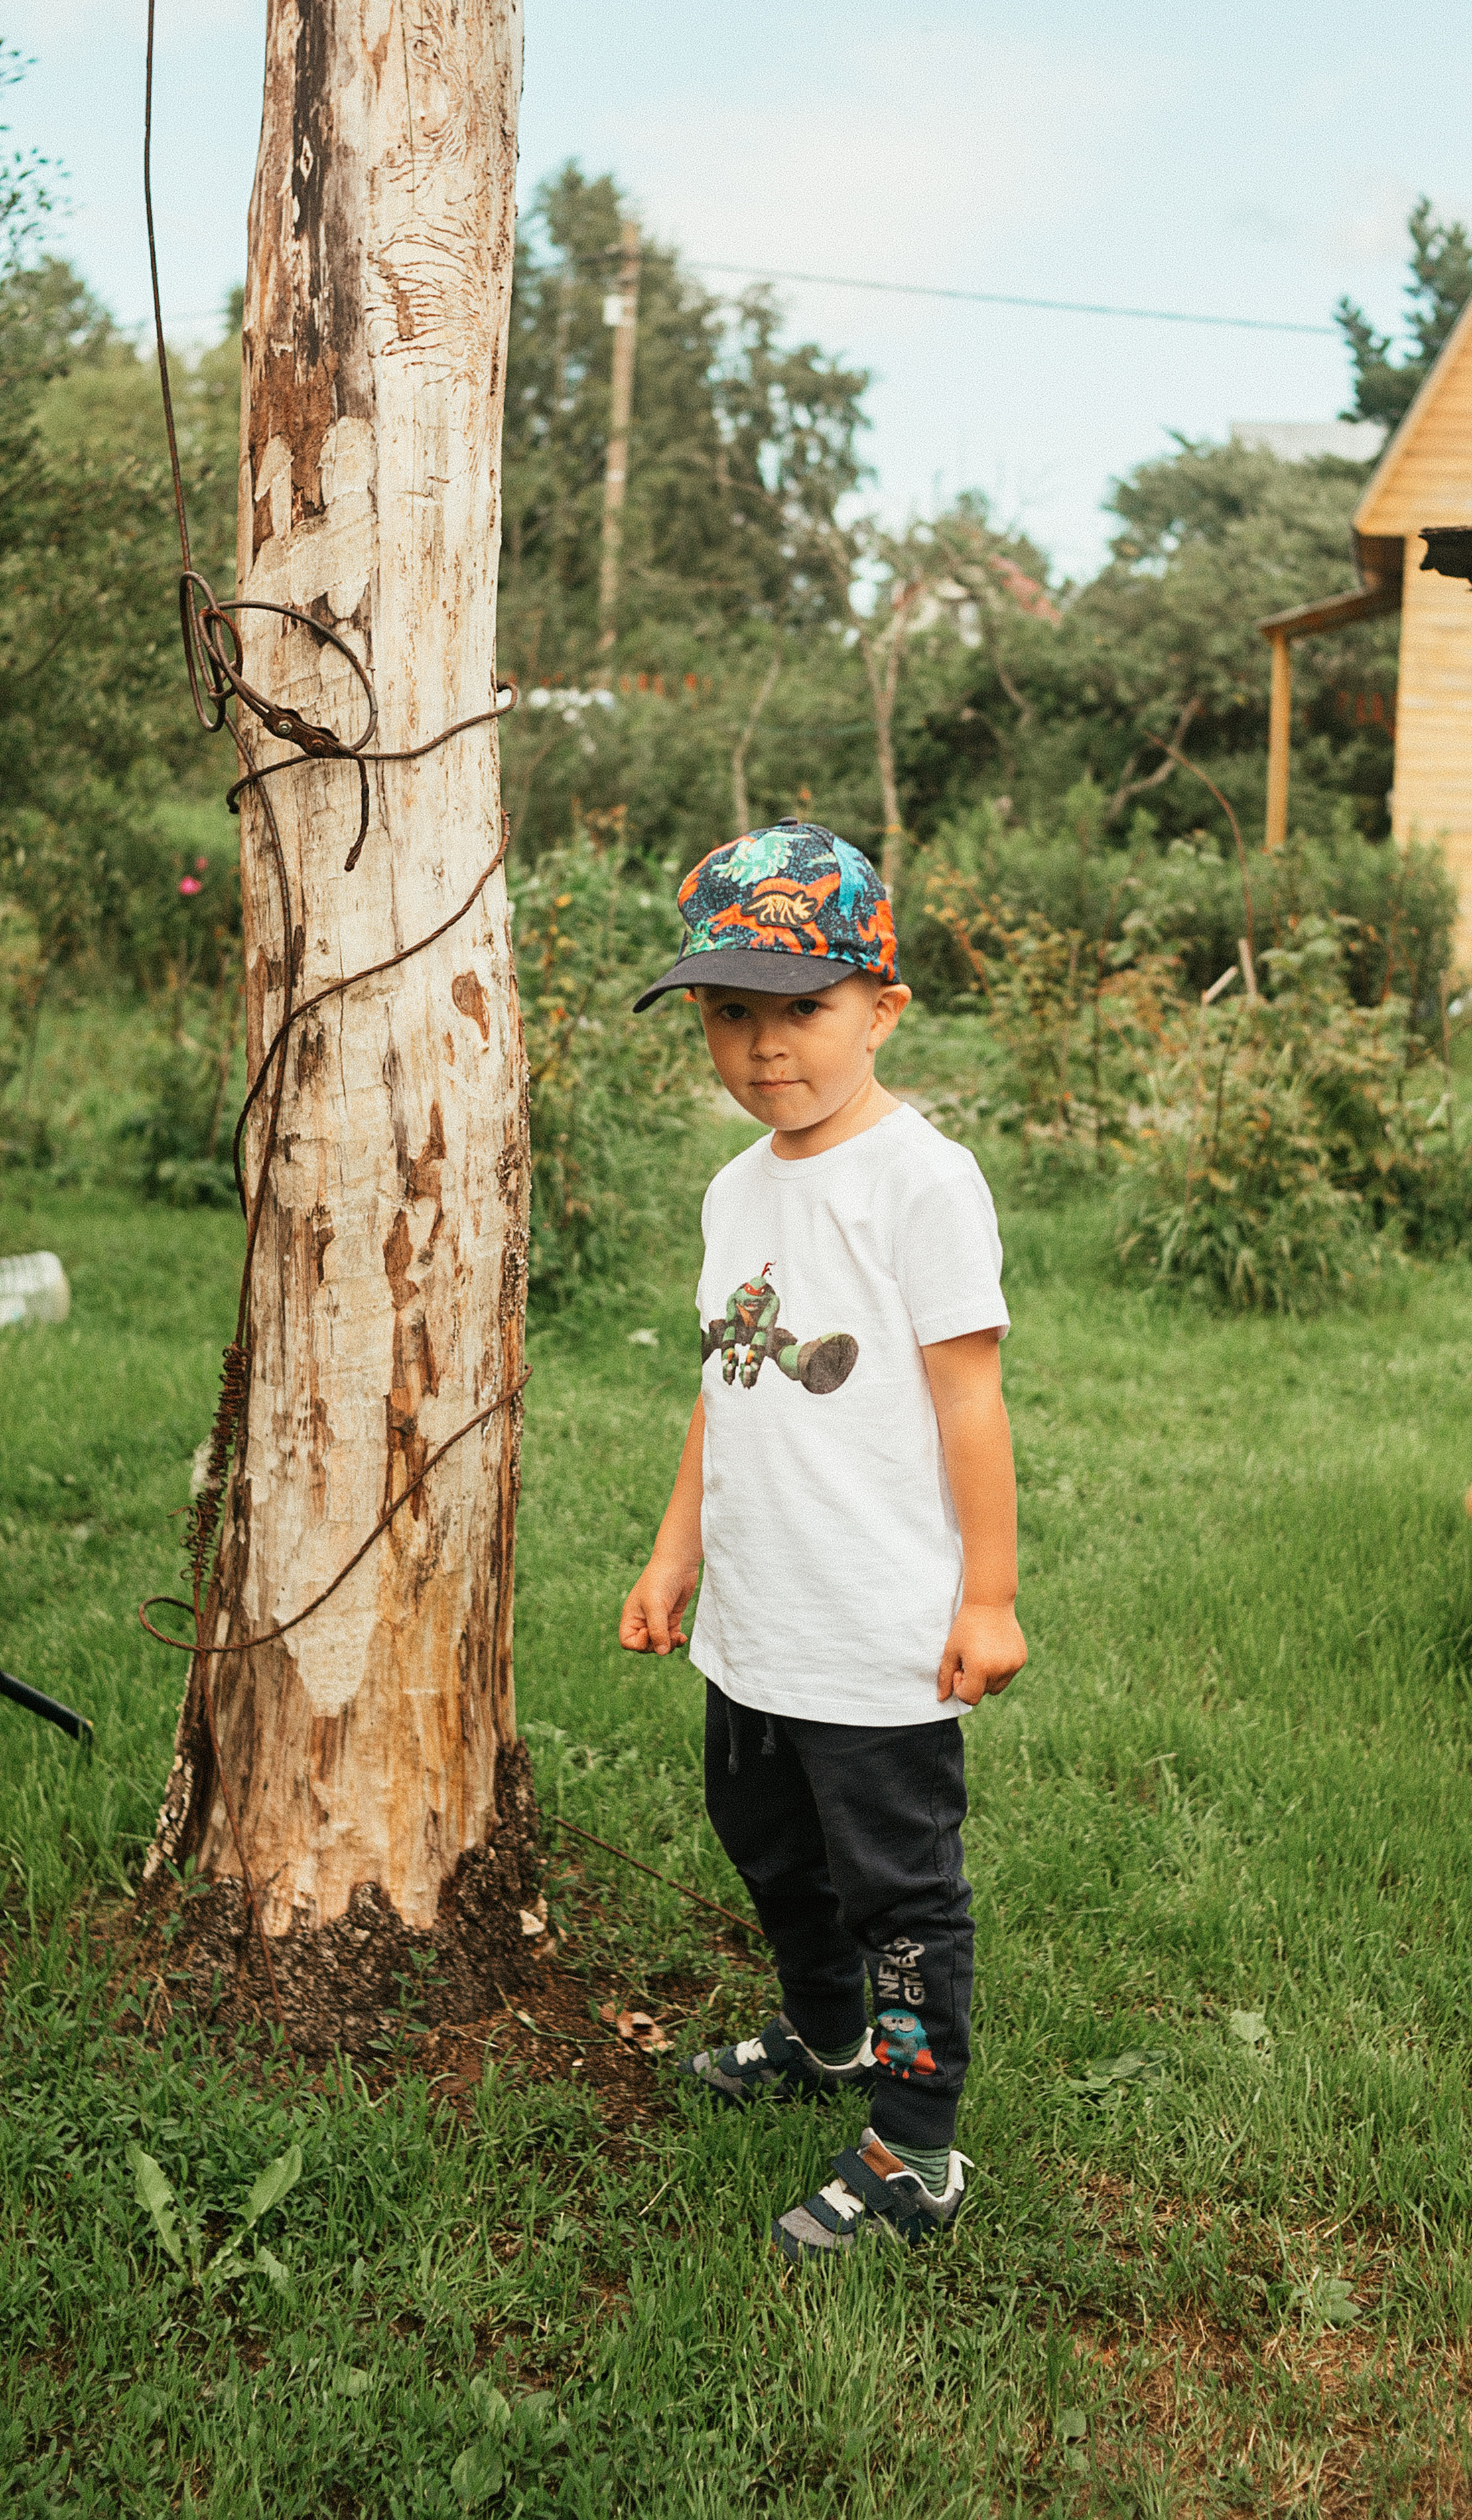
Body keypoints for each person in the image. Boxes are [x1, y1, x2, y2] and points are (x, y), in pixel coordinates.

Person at [619, 819, 1026, 2263]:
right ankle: (825, 2033)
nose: (763, 1044)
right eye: (731, 1011)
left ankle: (914, 2150)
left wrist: (988, 1595)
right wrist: (676, 1553)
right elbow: (720, 1384)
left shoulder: (920, 1181)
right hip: (754, 1627)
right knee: (767, 1846)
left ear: (879, 1008)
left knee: (897, 1895)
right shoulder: (737, 1189)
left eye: (800, 1006)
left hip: (873, 1632)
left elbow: (968, 1395)